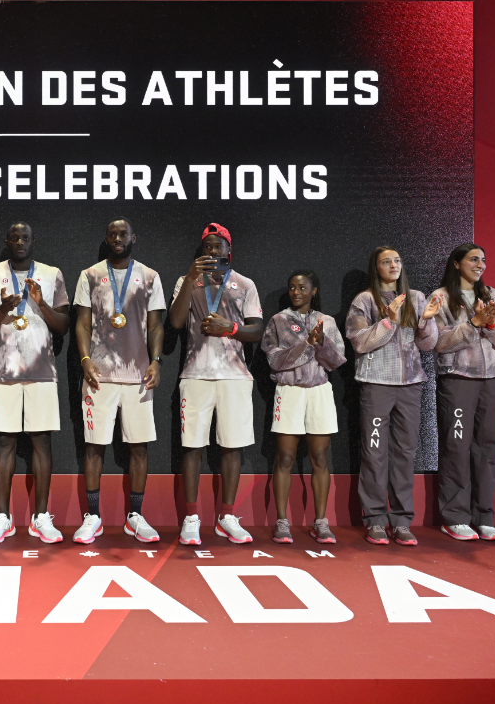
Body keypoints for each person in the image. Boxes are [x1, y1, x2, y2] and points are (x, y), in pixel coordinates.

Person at [168, 223, 264, 546]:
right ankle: (191, 518)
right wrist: (189, 277)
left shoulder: (245, 284)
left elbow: (258, 331)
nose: (213, 251)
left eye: (218, 246)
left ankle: (227, 516)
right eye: (207, 246)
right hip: (195, 375)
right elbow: (176, 322)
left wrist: (231, 328)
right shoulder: (187, 281)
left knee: (231, 447)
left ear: (228, 250)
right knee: (192, 447)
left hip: (235, 376)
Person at [0, 222, 70, 544]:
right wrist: (3, 307)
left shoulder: (52, 273)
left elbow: (62, 327)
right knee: (4, 443)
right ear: (7, 240)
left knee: (42, 442)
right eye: (14, 237)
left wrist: (40, 303)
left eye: (25, 237)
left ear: (32, 241)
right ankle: (2, 517)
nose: (19, 241)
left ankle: (41, 516)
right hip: (3, 374)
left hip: (42, 371)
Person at [74, 217, 166, 545]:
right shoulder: (90, 275)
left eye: (122, 233)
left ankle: (135, 517)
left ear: (133, 237)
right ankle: (93, 517)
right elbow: (82, 325)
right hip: (99, 374)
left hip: (139, 375)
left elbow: (156, 326)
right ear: (106, 237)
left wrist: (156, 361)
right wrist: (85, 360)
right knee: (94, 445)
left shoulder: (150, 277)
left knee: (138, 447)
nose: (117, 238)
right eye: (111, 233)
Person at [346, 246, 442, 546]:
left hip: (411, 384)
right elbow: (360, 343)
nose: (393, 265)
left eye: (397, 260)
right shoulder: (364, 300)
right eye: (386, 261)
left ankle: (401, 520)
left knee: (405, 453)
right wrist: (389, 320)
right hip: (376, 384)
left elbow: (428, 345)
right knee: (374, 452)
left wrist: (424, 320)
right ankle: (375, 519)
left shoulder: (416, 298)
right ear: (376, 268)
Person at [430, 244, 495, 542]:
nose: (480, 264)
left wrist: (491, 323)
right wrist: (472, 324)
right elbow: (437, 343)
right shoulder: (440, 297)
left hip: (493, 378)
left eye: (483, 259)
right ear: (457, 264)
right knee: (457, 447)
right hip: (458, 380)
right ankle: (455, 517)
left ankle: (484, 516)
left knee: (488, 447)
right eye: (473, 259)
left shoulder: (493, 296)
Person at [261, 270, 346, 545]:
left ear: (314, 291)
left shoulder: (328, 322)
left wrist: (322, 344)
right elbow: (275, 361)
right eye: (292, 287)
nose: (296, 292)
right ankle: (282, 521)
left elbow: (336, 361)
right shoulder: (278, 321)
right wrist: (307, 345)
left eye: (302, 287)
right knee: (284, 457)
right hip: (290, 392)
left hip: (319, 391)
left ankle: (321, 521)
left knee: (320, 457)